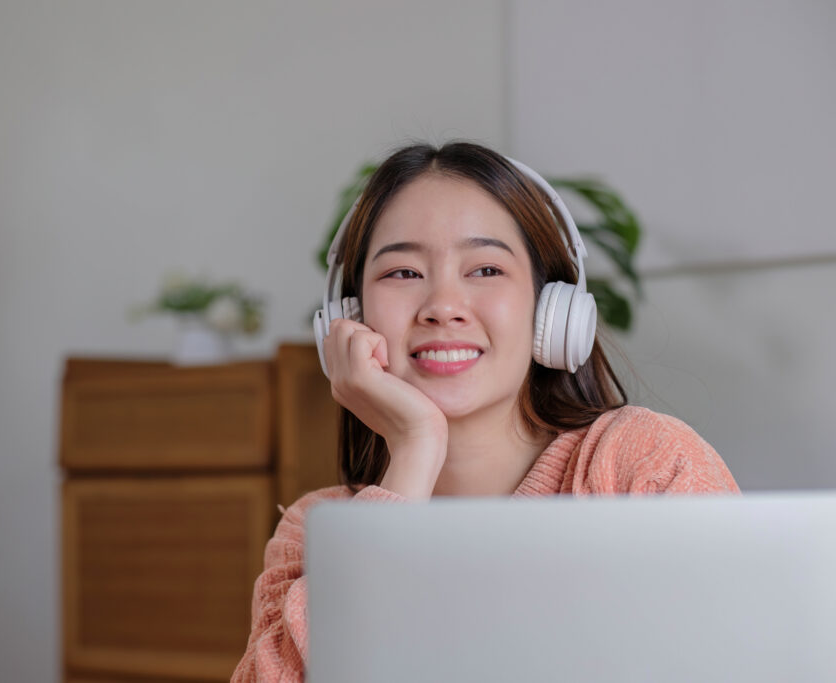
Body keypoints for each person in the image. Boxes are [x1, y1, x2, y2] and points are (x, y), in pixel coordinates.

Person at [230, 141, 739, 682]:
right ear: (350, 315)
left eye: (487, 269)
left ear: (551, 309)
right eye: (403, 273)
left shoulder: (640, 462)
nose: (443, 307)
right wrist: (413, 450)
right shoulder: (318, 529)